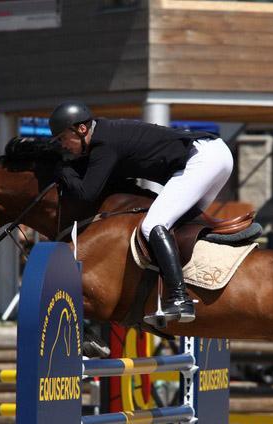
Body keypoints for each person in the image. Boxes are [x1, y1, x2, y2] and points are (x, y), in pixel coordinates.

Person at [50, 101, 233, 325]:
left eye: (62, 138)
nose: (62, 146)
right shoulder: (105, 136)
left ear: (81, 129)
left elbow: (87, 193)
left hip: (203, 159)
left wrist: (62, 169)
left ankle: (179, 298)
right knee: (183, 228)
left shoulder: (104, 143)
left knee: (153, 225)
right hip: (215, 155)